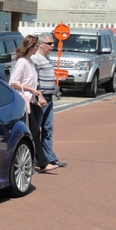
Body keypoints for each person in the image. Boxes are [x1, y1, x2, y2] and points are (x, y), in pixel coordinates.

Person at [9, 35, 57, 172]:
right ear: (31, 47)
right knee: (34, 131)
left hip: (30, 102)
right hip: (22, 103)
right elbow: (13, 82)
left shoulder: (30, 63)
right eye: (36, 46)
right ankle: (42, 162)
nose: (37, 48)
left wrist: (36, 100)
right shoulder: (22, 62)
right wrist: (32, 91)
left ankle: (38, 161)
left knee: (34, 131)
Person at [32, 33, 66, 169]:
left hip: (49, 98)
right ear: (41, 44)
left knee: (48, 129)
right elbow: (34, 79)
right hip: (41, 99)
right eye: (49, 43)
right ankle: (39, 158)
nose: (53, 46)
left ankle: (49, 158)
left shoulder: (48, 58)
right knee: (36, 130)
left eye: (53, 43)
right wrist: (38, 96)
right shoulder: (36, 59)